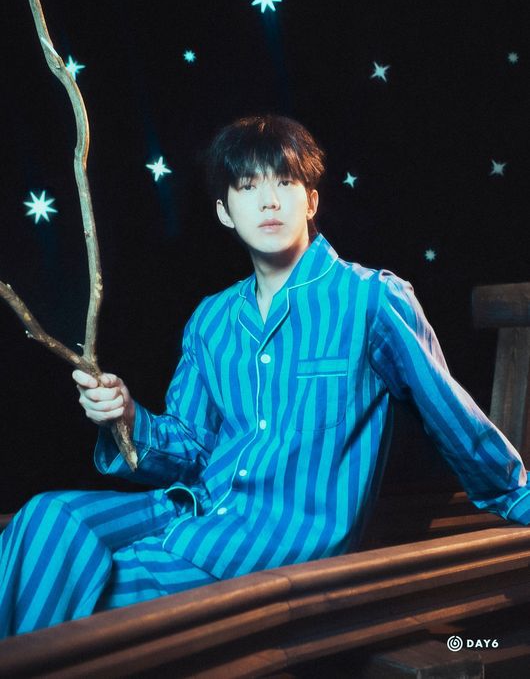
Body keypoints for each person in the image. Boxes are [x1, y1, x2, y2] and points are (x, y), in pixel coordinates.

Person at [1, 114, 529, 638]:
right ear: (224, 212)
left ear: (312, 201)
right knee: (46, 518)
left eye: (285, 183)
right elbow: (192, 447)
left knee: (80, 591)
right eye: (248, 187)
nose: (269, 201)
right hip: (193, 509)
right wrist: (125, 415)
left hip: (272, 546)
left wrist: (516, 495)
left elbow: (453, 418)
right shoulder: (211, 319)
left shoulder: (370, 299)